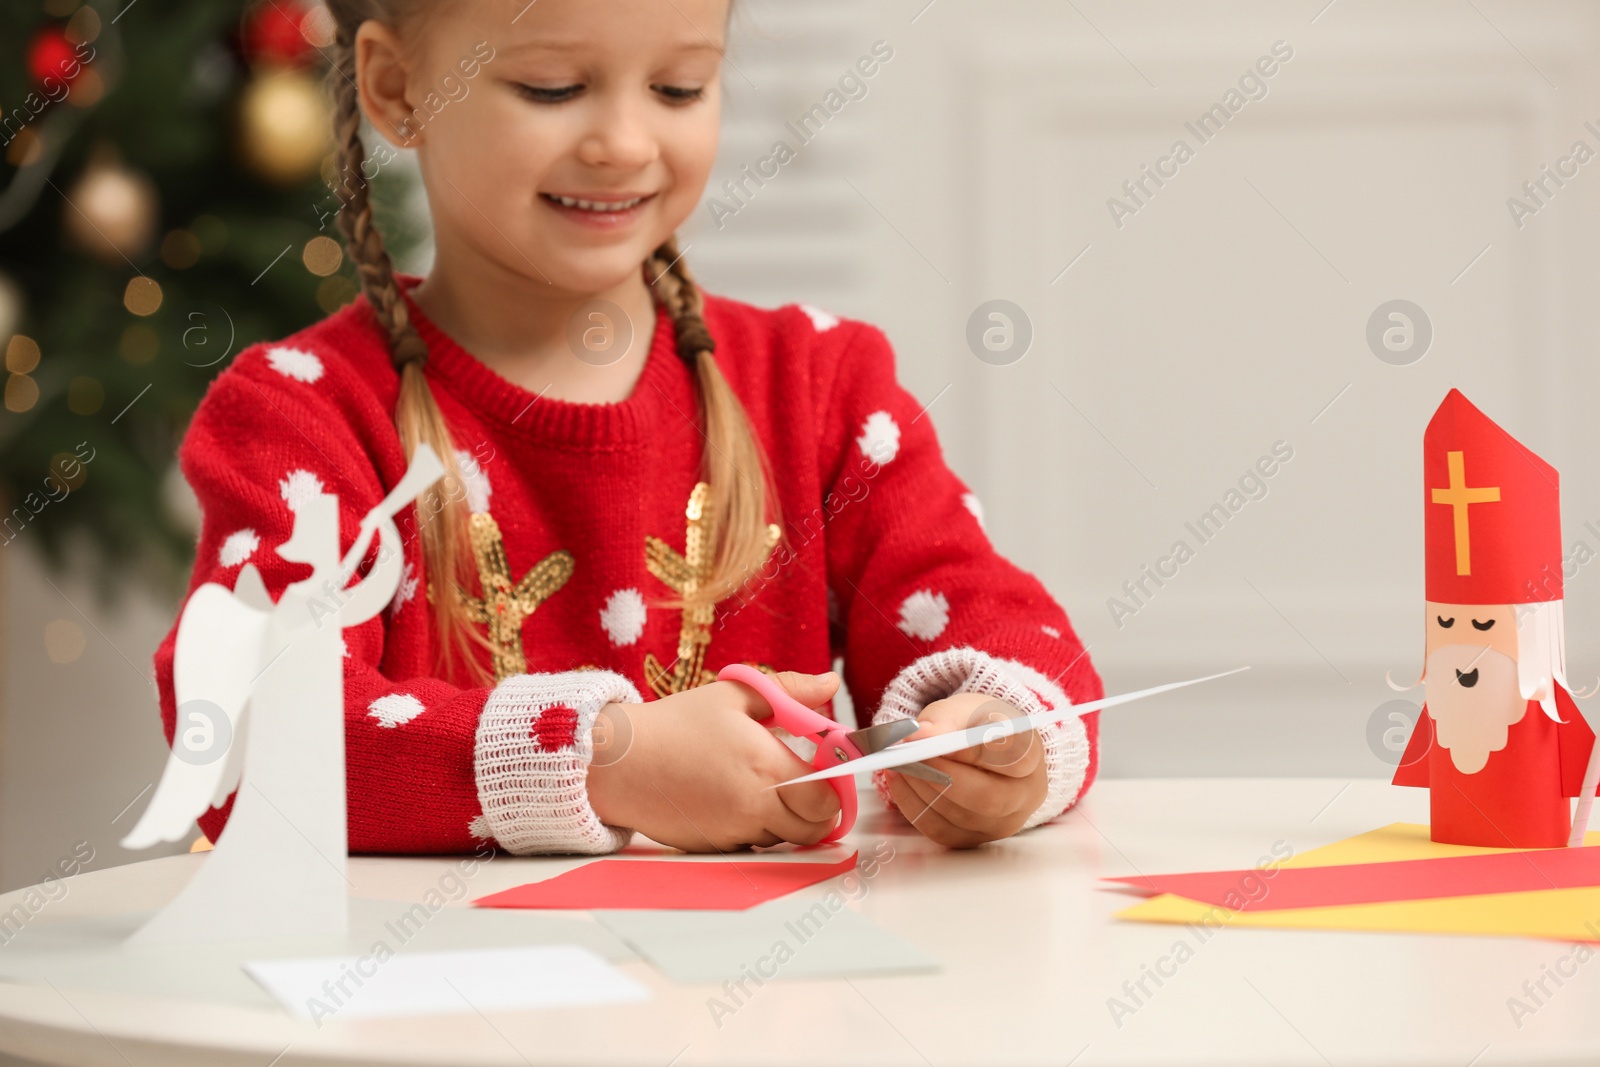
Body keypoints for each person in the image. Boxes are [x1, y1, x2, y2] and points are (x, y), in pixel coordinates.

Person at [154, 0, 1102, 856]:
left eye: (678, 87)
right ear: (398, 88)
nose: (623, 140)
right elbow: (243, 729)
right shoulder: (300, 413)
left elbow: (1007, 627)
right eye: (553, 87)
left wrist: (997, 738)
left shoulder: (819, 387)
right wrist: (605, 758)